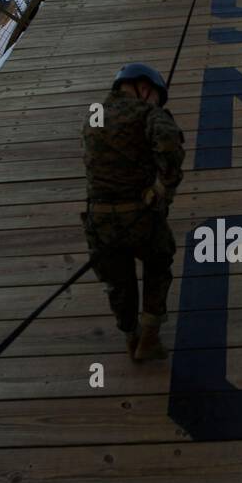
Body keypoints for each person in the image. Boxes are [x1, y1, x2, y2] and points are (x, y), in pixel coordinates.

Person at [80, 64, 185, 361]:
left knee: (118, 282)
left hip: (98, 219)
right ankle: (150, 337)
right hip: (139, 214)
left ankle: (130, 335)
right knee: (158, 263)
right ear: (144, 87)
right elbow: (169, 148)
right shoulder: (149, 114)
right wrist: (165, 188)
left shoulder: (94, 115)